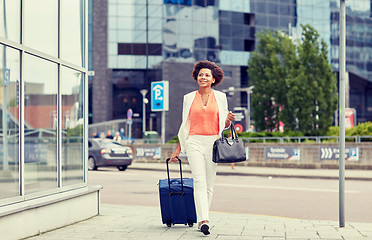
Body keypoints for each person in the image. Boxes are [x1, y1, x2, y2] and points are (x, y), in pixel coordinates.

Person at [170, 60, 235, 235]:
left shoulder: (221, 97)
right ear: (196, 78)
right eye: (200, 75)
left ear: (213, 79)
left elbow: (224, 126)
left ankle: (202, 217)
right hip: (194, 142)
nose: (203, 77)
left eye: (207, 75)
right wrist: (178, 149)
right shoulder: (188, 98)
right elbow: (185, 125)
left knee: (209, 185)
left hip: (214, 143)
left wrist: (228, 121)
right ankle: (204, 220)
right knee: (199, 181)